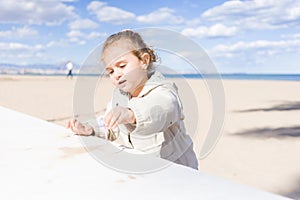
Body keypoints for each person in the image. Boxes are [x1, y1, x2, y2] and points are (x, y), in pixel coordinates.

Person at [67, 30, 198, 170]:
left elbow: (164, 108)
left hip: (179, 168)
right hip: (148, 167)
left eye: (122, 66)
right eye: (110, 71)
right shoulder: (120, 98)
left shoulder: (163, 91)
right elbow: (109, 125)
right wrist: (90, 129)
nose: (116, 74)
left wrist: (132, 114)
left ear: (144, 61)